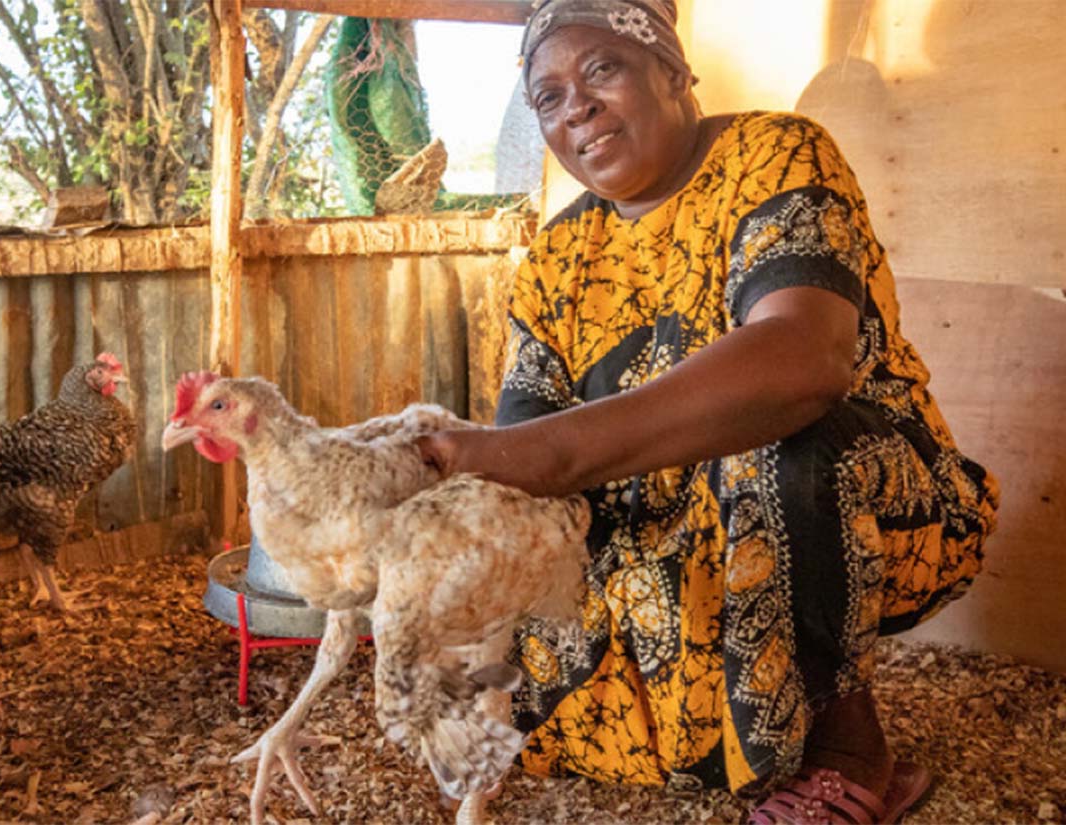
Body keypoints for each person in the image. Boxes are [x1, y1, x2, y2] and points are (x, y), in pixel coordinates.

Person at [416, 1, 1000, 822]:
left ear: (673, 72)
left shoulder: (775, 155)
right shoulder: (555, 256)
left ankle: (854, 749)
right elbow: (524, 454)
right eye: (546, 96)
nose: (573, 106)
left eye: (601, 70)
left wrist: (548, 457)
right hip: (669, 534)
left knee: (781, 438)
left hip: (860, 499)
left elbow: (805, 360)